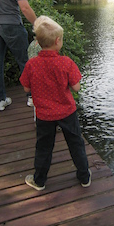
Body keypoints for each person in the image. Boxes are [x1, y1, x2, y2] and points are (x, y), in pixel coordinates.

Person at [20, 15, 91, 191]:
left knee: (44, 147)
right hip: (67, 111)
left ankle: (39, 180)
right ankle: (84, 177)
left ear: (38, 42)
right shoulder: (66, 62)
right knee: (76, 143)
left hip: (44, 115)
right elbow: (76, 87)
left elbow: (26, 89)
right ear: (58, 41)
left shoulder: (32, 64)